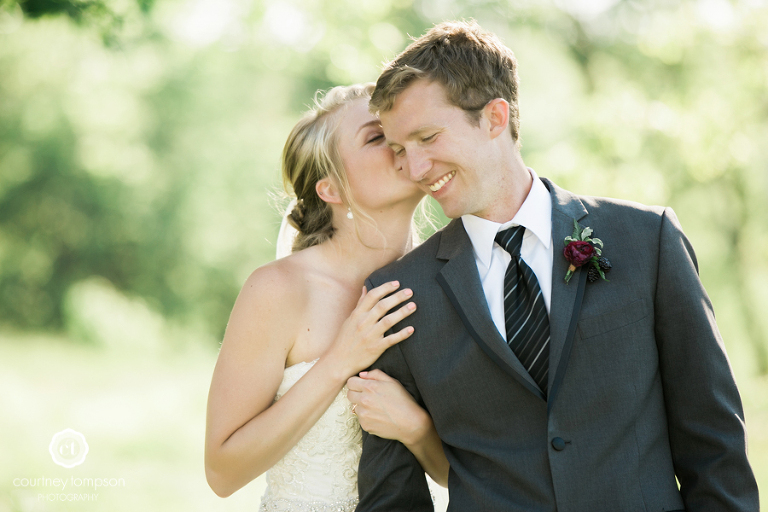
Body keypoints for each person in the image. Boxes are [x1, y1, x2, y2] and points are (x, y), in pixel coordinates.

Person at [352, 21, 759, 511]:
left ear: (495, 118)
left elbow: (714, 443)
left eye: (428, 137)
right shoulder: (398, 294)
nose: (415, 170)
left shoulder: (646, 241)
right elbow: (391, 497)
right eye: (399, 150)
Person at [204, 83, 449, 511]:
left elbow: (461, 472)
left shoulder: (447, 282)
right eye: (377, 137)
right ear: (331, 190)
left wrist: (415, 428)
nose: (399, 144)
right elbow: (223, 473)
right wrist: (340, 360)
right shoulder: (279, 291)